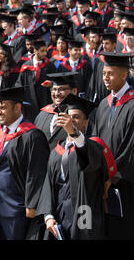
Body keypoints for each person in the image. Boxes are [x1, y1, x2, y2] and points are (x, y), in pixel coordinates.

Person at [36, 94, 117, 240]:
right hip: (60, 215)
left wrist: (74, 133)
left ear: (86, 122)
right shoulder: (57, 151)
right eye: (69, 116)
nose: (71, 120)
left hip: (85, 214)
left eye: (77, 117)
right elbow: (48, 185)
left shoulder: (93, 147)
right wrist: (48, 215)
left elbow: (88, 161)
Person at [92, 52, 134, 239]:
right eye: (103, 74)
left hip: (128, 183)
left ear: (124, 74)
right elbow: (96, 140)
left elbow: (133, 148)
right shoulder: (103, 105)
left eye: (110, 73)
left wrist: (113, 177)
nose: (105, 78)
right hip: (105, 184)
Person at [0, 87, 50, 240]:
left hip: (18, 210)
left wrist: (31, 204)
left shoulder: (32, 136)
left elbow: (36, 172)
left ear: (18, 107)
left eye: (3, 107)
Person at [34, 72, 79, 150]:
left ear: (74, 91)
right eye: (54, 89)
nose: (57, 93)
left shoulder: (80, 116)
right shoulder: (42, 114)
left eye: (61, 89)